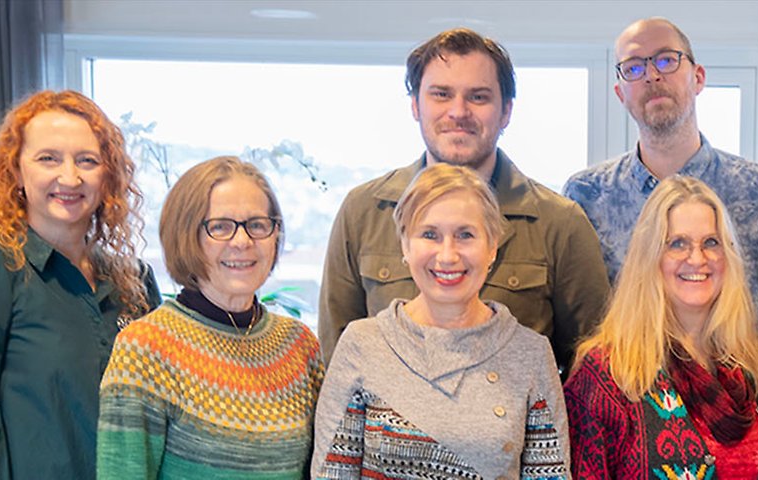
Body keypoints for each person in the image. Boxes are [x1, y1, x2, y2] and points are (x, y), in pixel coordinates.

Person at [322, 28, 611, 369]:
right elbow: (338, 359)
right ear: (415, 105)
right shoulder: (363, 212)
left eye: (478, 97)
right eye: (441, 94)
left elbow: (593, 368)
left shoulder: (560, 223)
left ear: (506, 111)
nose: (458, 111)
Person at [0, 90, 161, 480]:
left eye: (87, 160)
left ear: (108, 176)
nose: (70, 177)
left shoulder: (135, 282)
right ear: (15, 170)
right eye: (48, 158)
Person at [313, 164, 570, 479]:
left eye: (465, 235)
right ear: (405, 245)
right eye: (430, 235)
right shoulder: (362, 344)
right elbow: (332, 472)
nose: (447, 255)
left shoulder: (531, 354)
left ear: (492, 247)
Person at [565, 17, 758, 327]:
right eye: (634, 68)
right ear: (620, 93)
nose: (652, 75)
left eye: (666, 60)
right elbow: (577, 325)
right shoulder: (586, 197)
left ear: (698, 77)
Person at [564, 176, 758, 479]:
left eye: (711, 243)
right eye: (677, 244)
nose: (697, 258)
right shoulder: (607, 374)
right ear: (650, 256)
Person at [96, 157, 325, 478]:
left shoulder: (298, 345)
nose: (242, 242)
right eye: (220, 226)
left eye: (257, 225)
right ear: (185, 236)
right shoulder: (146, 349)